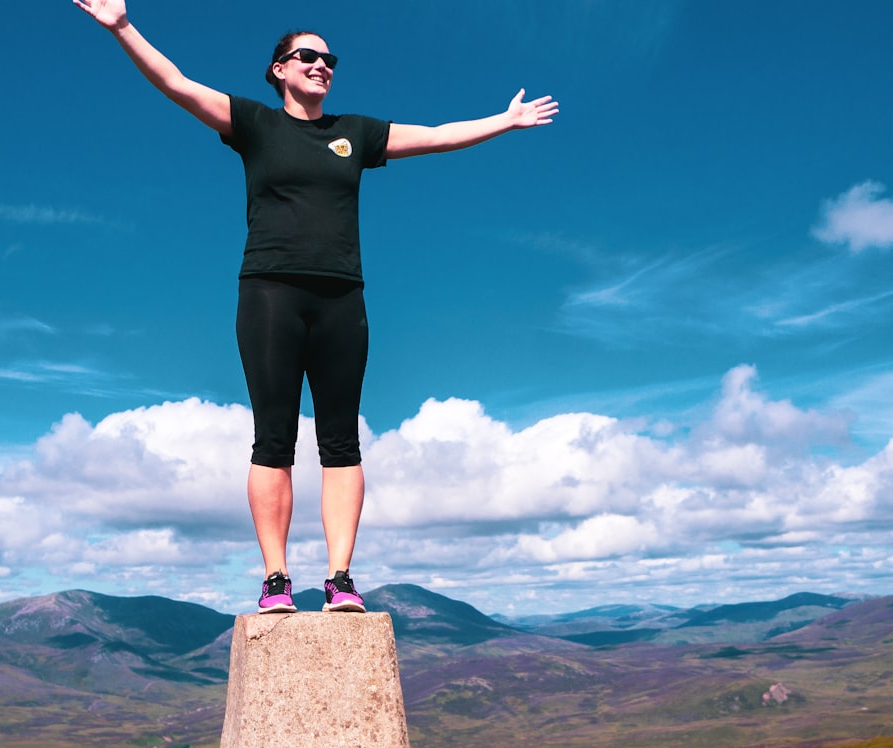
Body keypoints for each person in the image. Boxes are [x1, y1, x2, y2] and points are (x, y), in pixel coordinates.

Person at [74, 0, 558, 614]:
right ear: (279, 69)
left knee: (341, 440)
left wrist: (505, 121)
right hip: (271, 292)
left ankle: (339, 578)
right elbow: (175, 84)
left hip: (341, 298)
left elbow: (435, 137)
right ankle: (276, 580)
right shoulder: (252, 122)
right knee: (272, 438)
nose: (322, 65)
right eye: (308, 56)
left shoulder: (354, 133)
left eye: (330, 59)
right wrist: (121, 27)